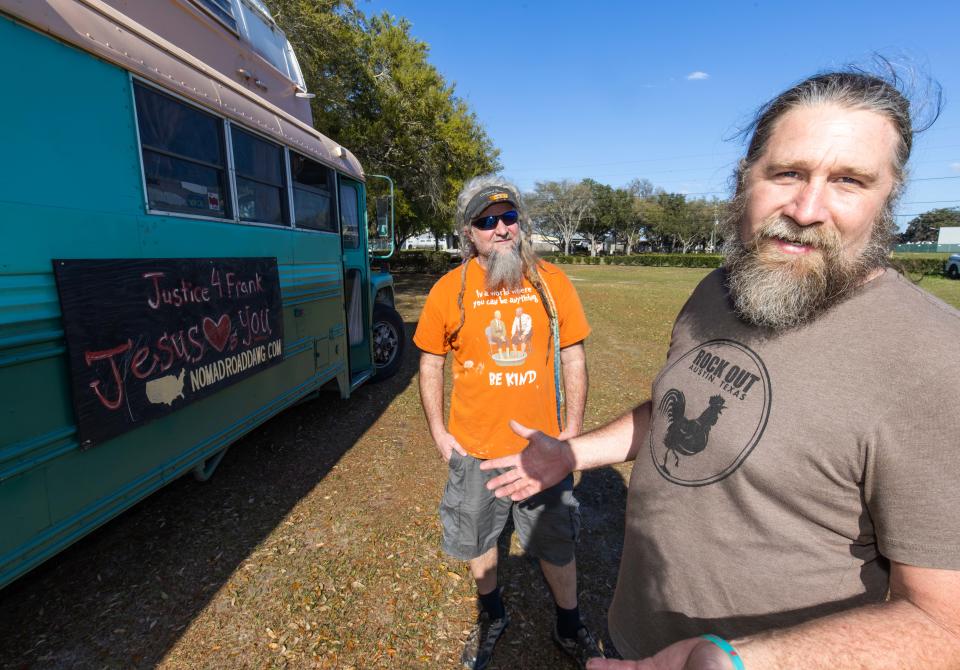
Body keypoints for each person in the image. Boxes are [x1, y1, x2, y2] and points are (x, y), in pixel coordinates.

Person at [482, 68, 960, 669]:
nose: (808, 209)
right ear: (745, 178)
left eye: (849, 181)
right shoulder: (718, 291)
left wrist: (736, 663)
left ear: (889, 195)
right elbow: (673, 407)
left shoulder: (936, 357)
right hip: (629, 638)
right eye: (788, 173)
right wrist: (572, 454)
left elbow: (944, 627)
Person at [414, 175, 604, 669]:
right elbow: (431, 362)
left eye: (508, 217)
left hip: (541, 451)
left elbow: (574, 357)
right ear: (468, 233)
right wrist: (439, 430)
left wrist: (572, 431)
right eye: (486, 221)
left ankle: (569, 624)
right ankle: (491, 614)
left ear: (520, 223)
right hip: (475, 449)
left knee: (554, 543)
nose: (500, 228)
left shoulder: (551, 282)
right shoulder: (447, 291)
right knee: (478, 538)